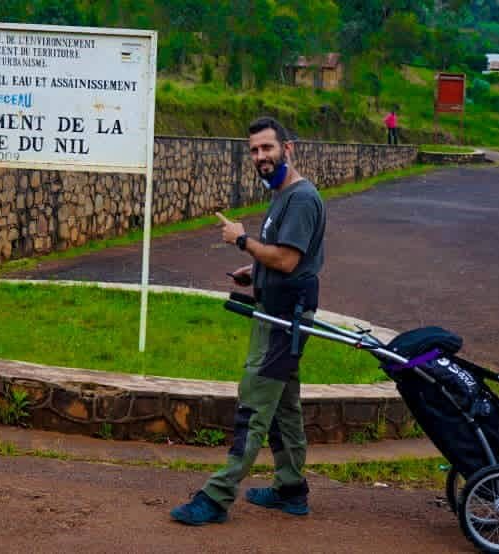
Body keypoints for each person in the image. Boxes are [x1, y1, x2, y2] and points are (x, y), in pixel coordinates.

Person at [170, 117, 326, 525]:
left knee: (255, 404)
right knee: (284, 406)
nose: (260, 157)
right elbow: (280, 256)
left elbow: (288, 260)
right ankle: (291, 489)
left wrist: (241, 239)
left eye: (267, 148)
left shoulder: (301, 198)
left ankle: (217, 496)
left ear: (287, 149)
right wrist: (253, 269)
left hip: (284, 319)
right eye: (254, 150)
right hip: (276, 310)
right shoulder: (282, 196)